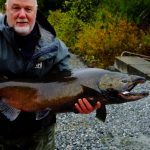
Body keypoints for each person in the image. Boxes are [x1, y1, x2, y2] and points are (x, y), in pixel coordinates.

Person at [0, 0, 101, 149]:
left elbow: (69, 84)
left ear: (36, 11)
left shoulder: (54, 46)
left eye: (28, 9)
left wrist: (80, 103)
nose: (22, 14)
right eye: (16, 8)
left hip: (41, 129)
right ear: (6, 8)